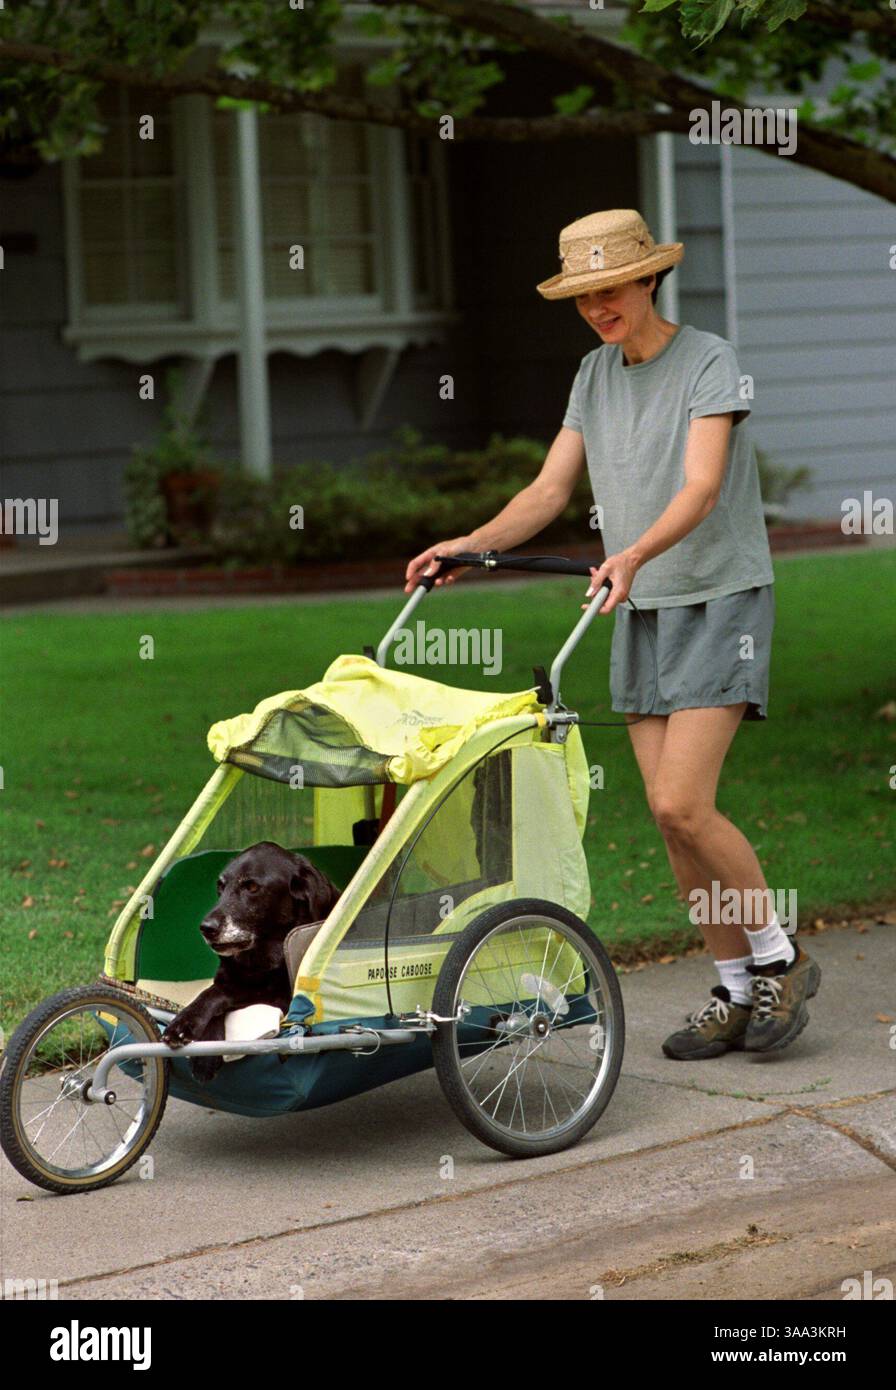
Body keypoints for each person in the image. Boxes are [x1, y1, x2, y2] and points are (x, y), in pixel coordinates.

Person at [405, 207, 820, 1059]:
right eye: (583, 294)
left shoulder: (710, 361)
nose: (599, 306)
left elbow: (702, 487)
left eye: (612, 287)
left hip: (718, 600)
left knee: (682, 801)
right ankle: (736, 989)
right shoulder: (594, 375)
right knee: (670, 825)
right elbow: (549, 492)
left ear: (648, 278)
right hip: (639, 606)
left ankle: (781, 956)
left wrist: (632, 551)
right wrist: (467, 546)